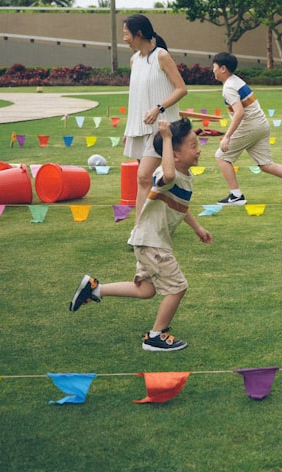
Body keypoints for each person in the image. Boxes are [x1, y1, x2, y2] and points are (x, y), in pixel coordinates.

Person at [70, 118, 212, 352]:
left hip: (150, 241)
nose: (199, 150)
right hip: (152, 243)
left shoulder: (185, 177)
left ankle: (94, 289)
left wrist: (197, 228)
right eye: (193, 146)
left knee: (146, 290)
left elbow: (180, 207)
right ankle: (156, 336)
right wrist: (166, 137)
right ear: (174, 155)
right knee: (178, 287)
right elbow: (168, 172)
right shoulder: (166, 175)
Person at [211, 52, 282, 205]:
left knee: (222, 157)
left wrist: (227, 136)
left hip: (250, 126)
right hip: (261, 125)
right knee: (265, 164)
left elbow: (239, 113)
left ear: (223, 69)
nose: (212, 70)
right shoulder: (236, 81)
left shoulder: (229, 88)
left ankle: (236, 195)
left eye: (214, 67)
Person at [122, 14, 187, 222]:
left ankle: (140, 229)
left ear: (138, 34)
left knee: (143, 177)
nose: (124, 38)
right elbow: (137, 98)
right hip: (140, 129)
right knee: (151, 179)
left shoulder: (161, 56)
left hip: (161, 129)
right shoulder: (134, 60)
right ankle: (161, 219)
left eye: (126, 34)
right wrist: (128, 129)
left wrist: (158, 108)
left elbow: (181, 89)